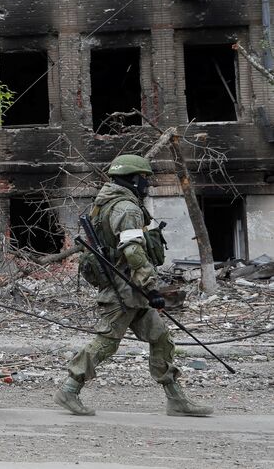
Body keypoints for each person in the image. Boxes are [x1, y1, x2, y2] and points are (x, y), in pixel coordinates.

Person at [55, 154, 213, 417]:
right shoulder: (126, 209)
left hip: (132, 289)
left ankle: (176, 399)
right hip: (124, 289)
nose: (147, 183)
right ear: (132, 179)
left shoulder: (107, 203)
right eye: (144, 178)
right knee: (106, 343)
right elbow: (133, 250)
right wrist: (151, 287)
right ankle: (69, 390)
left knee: (161, 338)